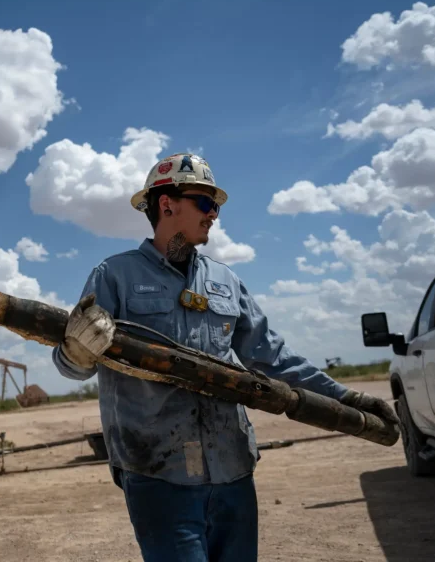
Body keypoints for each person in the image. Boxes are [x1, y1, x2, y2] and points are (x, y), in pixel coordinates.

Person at [51, 152, 399, 562]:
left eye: (215, 205)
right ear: (167, 204)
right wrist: (75, 350)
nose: (214, 213)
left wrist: (347, 398)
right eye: (205, 202)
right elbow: (71, 365)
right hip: (158, 473)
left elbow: (273, 357)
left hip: (231, 466)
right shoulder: (114, 276)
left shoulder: (225, 281)